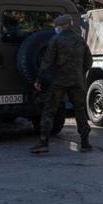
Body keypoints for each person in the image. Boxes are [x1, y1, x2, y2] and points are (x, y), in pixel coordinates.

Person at [30, 14, 93, 154]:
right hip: (77, 81)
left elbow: (47, 61)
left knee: (49, 110)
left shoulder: (56, 40)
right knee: (80, 111)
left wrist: (39, 79)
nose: (56, 28)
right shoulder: (80, 40)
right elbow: (89, 61)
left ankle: (43, 142)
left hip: (59, 81)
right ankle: (85, 143)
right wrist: (79, 72)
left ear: (62, 26)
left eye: (57, 26)